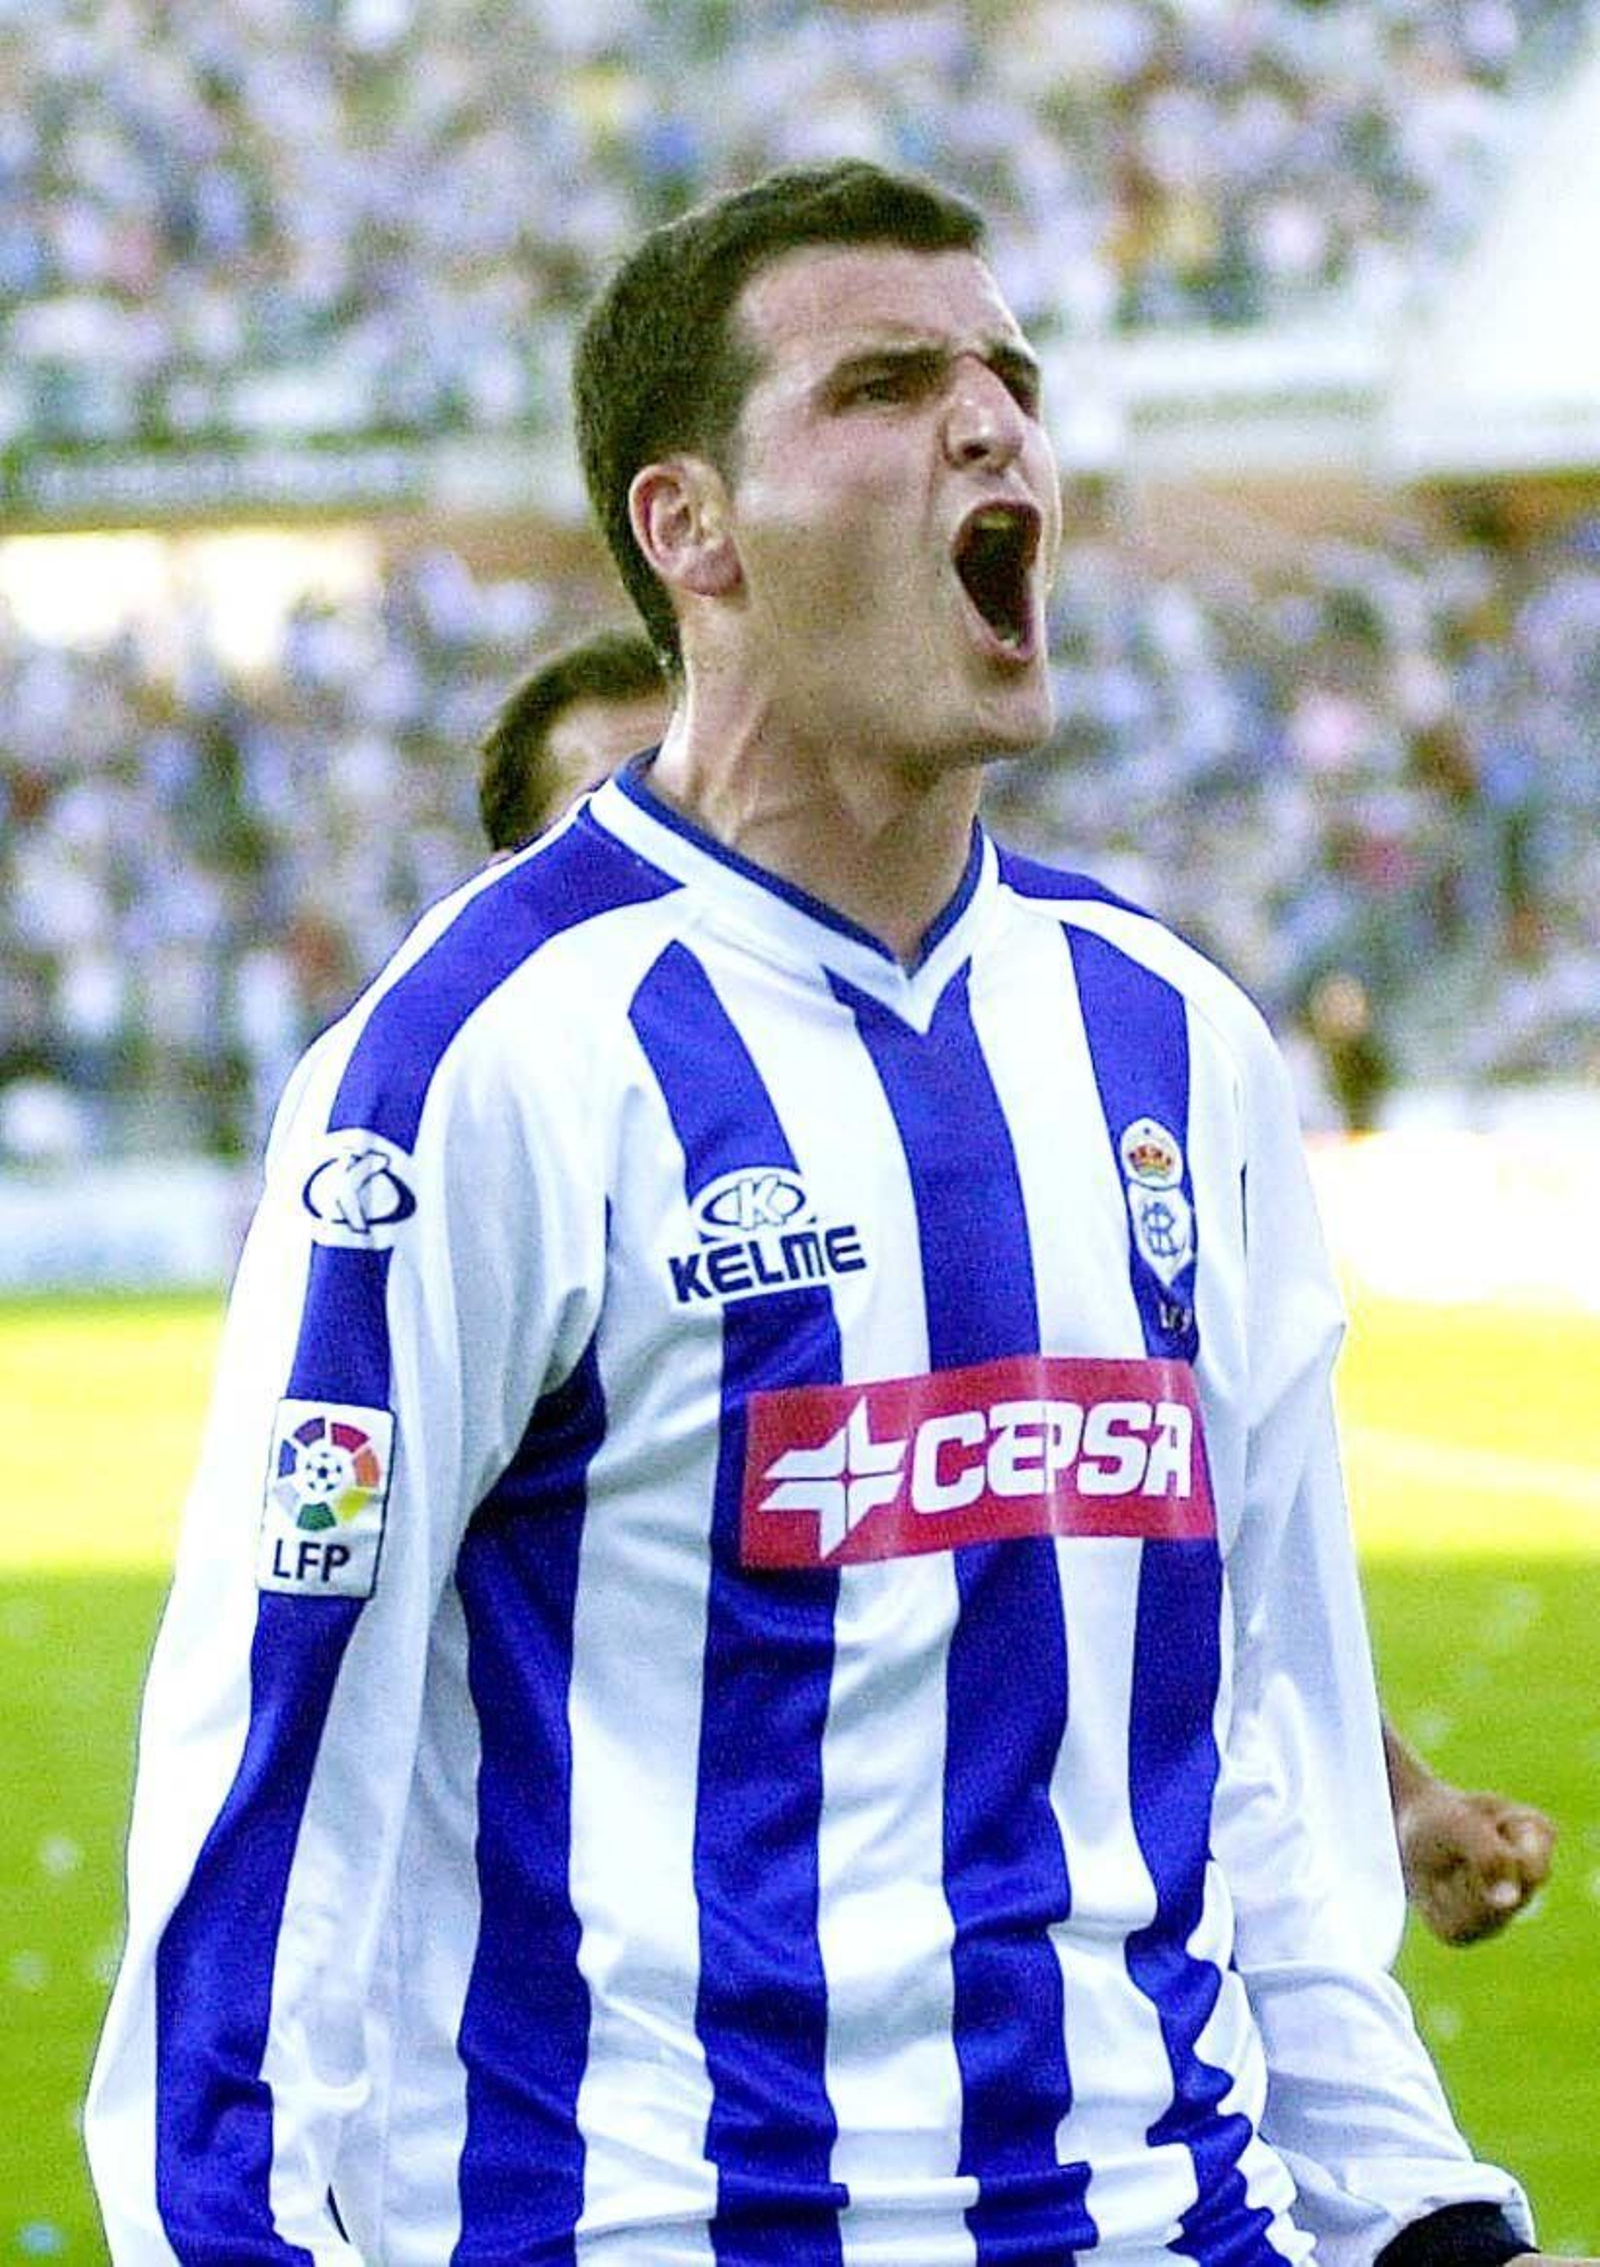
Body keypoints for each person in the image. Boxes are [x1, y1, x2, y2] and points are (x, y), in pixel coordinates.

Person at [87, 160, 1572, 2266]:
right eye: (886, 383)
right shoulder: (481, 1062)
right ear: (685, 530)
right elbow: (267, 1783)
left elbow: (1256, 1726)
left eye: (1008, 378)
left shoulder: (1171, 1039)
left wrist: (1412, 2206)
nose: (991, 426)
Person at [482, 638, 1555, 1954]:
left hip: (1041, 2038)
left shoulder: (1007, 1106)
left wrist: (1383, 1796)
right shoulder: (478, 1176)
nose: (690, 835)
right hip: (674, 2068)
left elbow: (1165, 1558)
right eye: (623, 807)